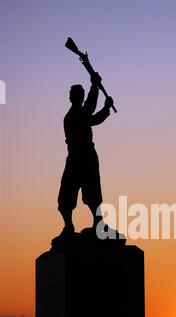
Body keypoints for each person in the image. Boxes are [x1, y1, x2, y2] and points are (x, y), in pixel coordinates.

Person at [58, 72, 114, 235]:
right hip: (78, 157)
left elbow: (92, 118)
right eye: (78, 95)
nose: (80, 98)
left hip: (86, 156)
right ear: (73, 98)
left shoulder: (78, 114)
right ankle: (69, 225)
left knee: (92, 192)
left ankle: (97, 223)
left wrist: (106, 107)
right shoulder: (72, 116)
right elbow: (90, 110)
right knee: (67, 195)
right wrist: (95, 86)